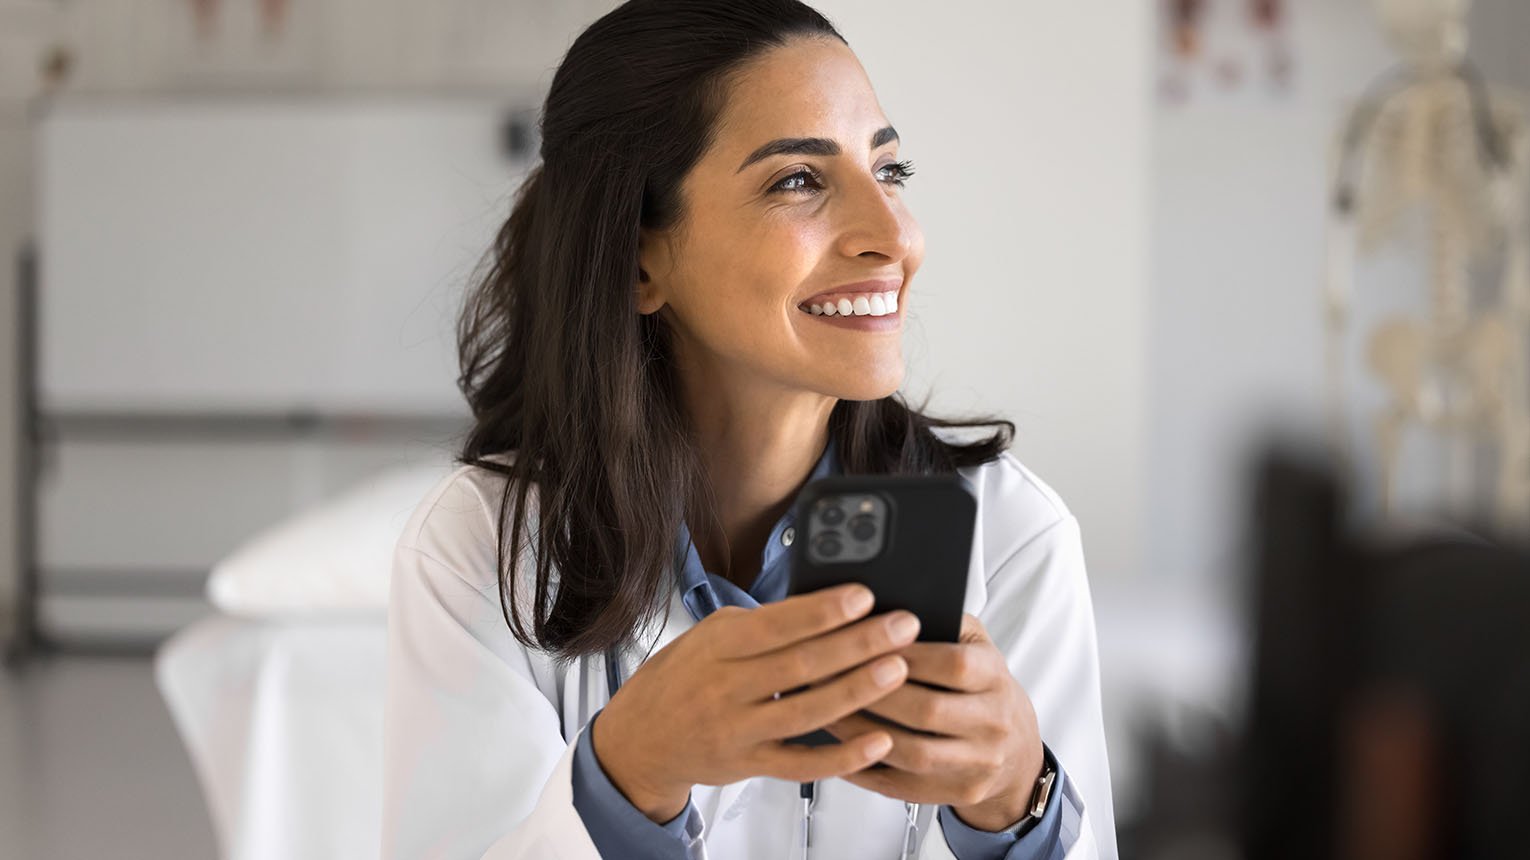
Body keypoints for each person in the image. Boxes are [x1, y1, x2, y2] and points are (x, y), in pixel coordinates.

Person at [379, 1, 1116, 857]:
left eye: (891, 172)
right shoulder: (481, 547)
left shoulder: (1013, 538)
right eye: (797, 179)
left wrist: (1020, 803)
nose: (893, 236)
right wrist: (625, 777)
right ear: (640, 258)